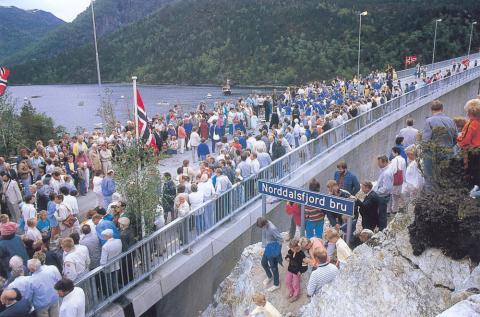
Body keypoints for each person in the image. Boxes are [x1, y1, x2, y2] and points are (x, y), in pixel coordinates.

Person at [422, 100, 458, 179]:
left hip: (433, 156)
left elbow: (426, 141)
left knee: (432, 180)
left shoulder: (429, 121)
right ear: (442, 109)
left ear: (431, 110)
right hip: (449, 154)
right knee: (447, 178)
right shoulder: (451, 121)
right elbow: (456, 138)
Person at [457, 98, 480, 188]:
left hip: (473, 153)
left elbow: (464, 141)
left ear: (471, 112)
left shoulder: (472, 123)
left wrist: (457, 138)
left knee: (471, 176)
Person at [256, 217, 282, 292]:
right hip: (269, 247)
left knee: (274, 267)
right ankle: (270, 276)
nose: (262, 229)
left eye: (262, 227)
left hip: (274, 248)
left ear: (265, 224)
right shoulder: (265, 225)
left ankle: (276, 284)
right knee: (263, 263)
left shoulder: (272, 229)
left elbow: (280, 240)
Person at [373, 155, 393, 230]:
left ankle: (382, 229)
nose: (378, 164)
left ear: (384, 162)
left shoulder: (386, 173)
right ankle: (381, 227)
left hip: (382, 196)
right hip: (383, 195)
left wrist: (376, 192)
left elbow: (386, 187)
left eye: (379, 163)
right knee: (381, 213)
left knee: (382, 214)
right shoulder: (385, 170)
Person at [390, 147, 406, 214]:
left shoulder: (394, 160)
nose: (392, 153)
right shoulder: (403, 159)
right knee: (401, 194)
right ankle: (404, 207)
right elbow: (404, 170)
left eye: (393, 152)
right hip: (401, 180)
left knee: (394, 196)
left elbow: (393, 171)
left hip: (395, 181)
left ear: (396, 152)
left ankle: (394, 210)